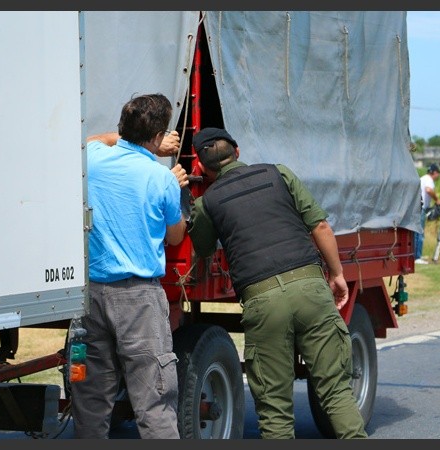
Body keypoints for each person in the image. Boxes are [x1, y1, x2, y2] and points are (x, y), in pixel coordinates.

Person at [187, 127, 368, 439]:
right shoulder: (279, 174)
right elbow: (320, 226)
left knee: (275, 410)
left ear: (202, 167)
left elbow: (202, 248)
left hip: (262, 301)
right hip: (311, 288)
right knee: (337, 393)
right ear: (238, 151)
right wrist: (337, 275)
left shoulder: (208, 202)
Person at [70, 93, 188, 439]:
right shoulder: (161, 177)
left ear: (122, 127)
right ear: (157, 137)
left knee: (89, 398)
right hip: (139, 299)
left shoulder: (91, 158)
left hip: (89, 296)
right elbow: (176, 235)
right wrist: (177, 186)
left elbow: (85, 141)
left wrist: (119, 137)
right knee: (154, 399)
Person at [414, 163, 440, 265]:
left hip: (416, 207)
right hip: (420, 208)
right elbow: (428, 190)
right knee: (420, 233)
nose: (438, 176)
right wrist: (437, 200)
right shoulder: (429, 180)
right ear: (434, 173)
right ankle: (417, 257)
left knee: (416, 232)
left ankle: (416, 254)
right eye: (438, 173)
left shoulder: (423, 178)